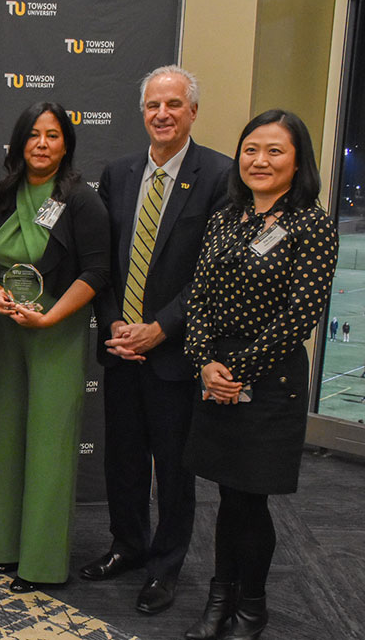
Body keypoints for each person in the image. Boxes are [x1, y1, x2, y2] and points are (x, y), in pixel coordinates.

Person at [82, 65, 231, 614]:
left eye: (173, 104)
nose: (162, 114)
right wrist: (114, 324)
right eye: (152, 105)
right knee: (122, 459)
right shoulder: (117, 174)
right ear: (142, 112)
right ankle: (128, 546)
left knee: (173, 468)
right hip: (122, 350)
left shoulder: (220, 175)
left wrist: (160, 328)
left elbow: (213, 273)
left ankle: (166, 567)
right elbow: (100, 263)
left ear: (192, 111)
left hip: (175, 353)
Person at [182, 110, 337, 640]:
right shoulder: (227, 215)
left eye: (275, 150)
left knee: (251, 496)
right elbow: (198, 297)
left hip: (270, 380)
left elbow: (299, 317)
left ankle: (252, 603)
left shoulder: (311, 223)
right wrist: (206, 362)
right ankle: (218, 597)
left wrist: (237, 371)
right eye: (251, 149)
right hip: (215, 372)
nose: (260, 160)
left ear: (298, 161)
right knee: (226, 494)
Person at [0, 102, 110, 592]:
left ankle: (41, 563)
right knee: (8, 438)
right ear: (18, 142)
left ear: (66, 144)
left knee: (50, 448)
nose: (42, 143)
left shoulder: (81, 200)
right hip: (11, 329)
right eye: (33, 134)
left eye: (53, 135)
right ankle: (1, 548)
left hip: (57, 328)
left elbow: (96, 271)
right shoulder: (2, 195)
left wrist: (51, 315)